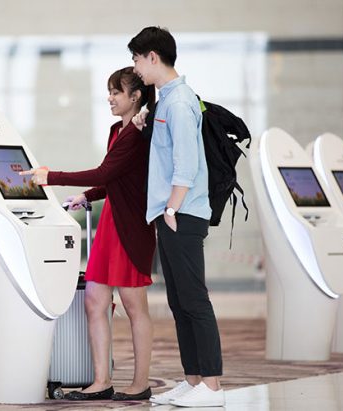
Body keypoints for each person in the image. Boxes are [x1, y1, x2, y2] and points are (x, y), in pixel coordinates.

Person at [21, 67, 156, 402]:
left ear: (135, 96)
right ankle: (101, 381)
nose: (109, 98)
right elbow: (113, 179)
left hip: (131, 228)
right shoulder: (117, 130)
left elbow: (106, 171)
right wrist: (89, 196)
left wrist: (51, 176)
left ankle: (140, 384)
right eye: (109, 91)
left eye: (116, 92)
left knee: (133, 306)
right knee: (95, 301)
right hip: (111, 224)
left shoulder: (137, 136)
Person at [128, 26, 225, 408]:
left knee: (194, 300)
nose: (135, 68)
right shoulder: (165, 100)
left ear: (153, 57)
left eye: (137, 59)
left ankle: (213, 387)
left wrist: (171, 208)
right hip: (170, 213)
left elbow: (186, 163)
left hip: (181, 213)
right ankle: (194, 380)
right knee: (179, 301)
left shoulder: (180, 102)